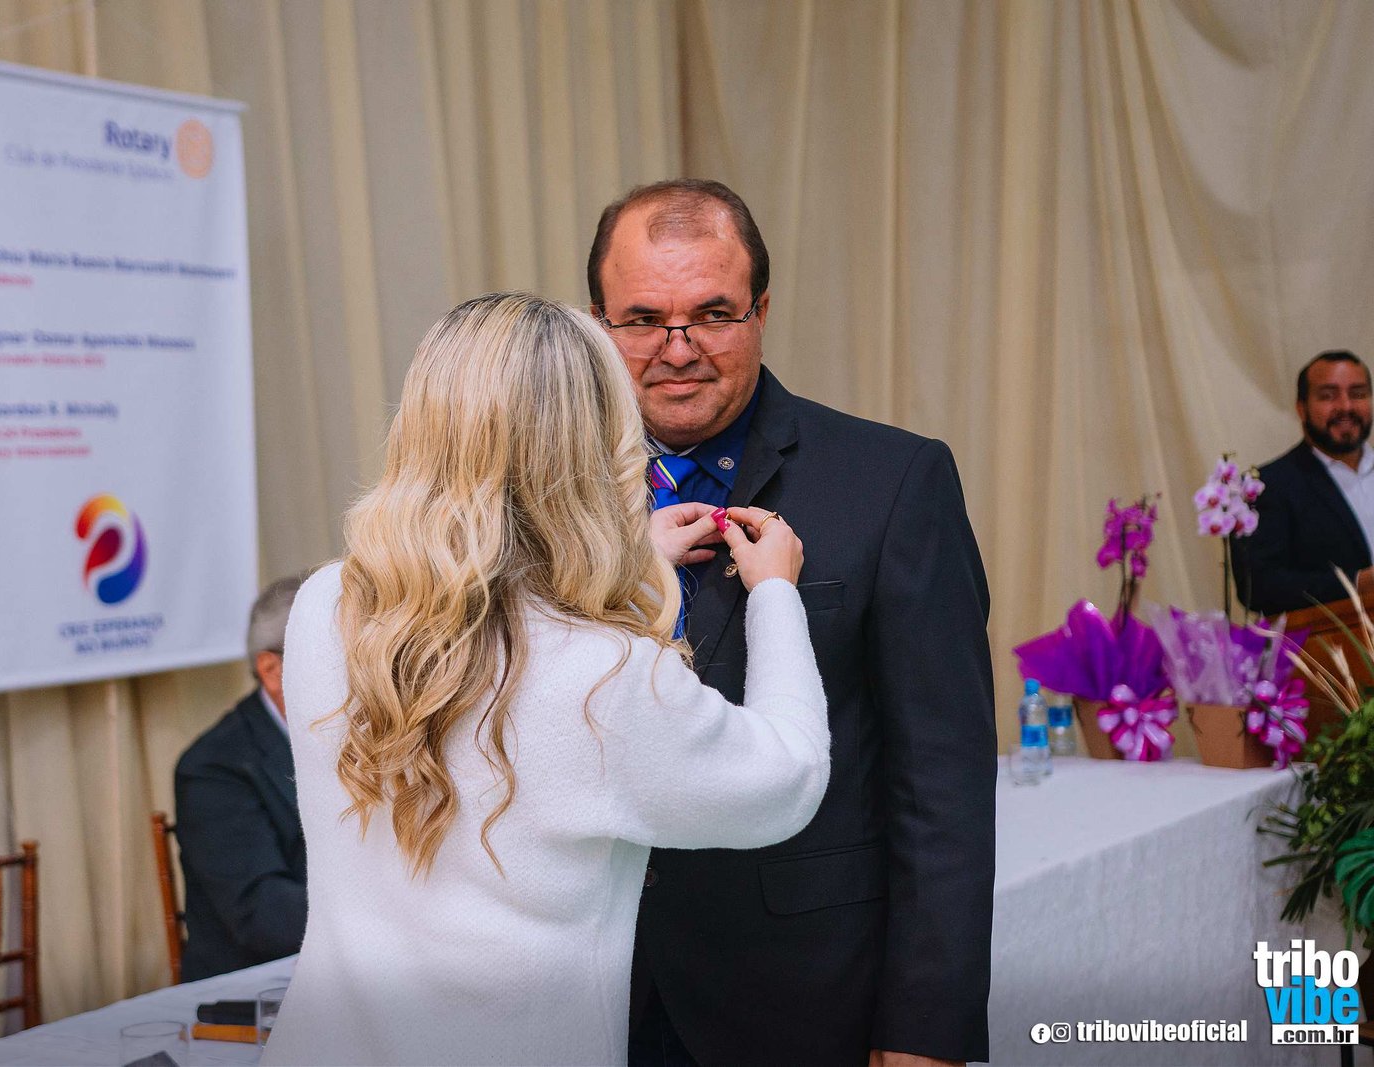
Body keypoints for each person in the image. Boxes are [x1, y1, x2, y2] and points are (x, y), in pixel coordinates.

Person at [260, 292, 829, 1066]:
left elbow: (492, 628)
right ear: (595, 449)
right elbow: (788, 779)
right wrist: (775, 595)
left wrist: (638, 567)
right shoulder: (608, 678)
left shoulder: (325, 605)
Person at [587, 179, 995, 1067]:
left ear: (762, 311)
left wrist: (926, 1031)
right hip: (587, 995)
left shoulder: (891, 481)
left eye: (713, 314)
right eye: (644, 319)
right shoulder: (549, 496)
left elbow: (943, 783)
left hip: (803, 999)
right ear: (597, 325)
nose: (678, 350)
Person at [173, 574, 308, 981]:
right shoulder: (213, 767)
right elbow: (265, 915)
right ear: (272, 670)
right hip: (253, 988)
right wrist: (391, 916)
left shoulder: (369, 737)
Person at [1235, 350, 1374, 615]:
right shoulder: (1266, 486)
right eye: (1328, 396)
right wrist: (1357, 583)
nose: (1346, 407)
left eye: (1358, 394)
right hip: (1335, 638)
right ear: (1302, 408)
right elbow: (1259, 587)